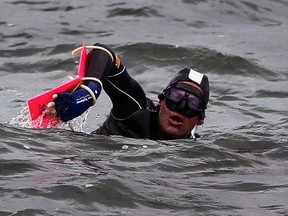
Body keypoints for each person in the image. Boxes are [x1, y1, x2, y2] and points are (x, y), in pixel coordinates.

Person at [48, 43, 210, 140]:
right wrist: (89, 93)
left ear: (200, 119)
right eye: (176, 97)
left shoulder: (196, 152)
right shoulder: (136, 109)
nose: (181, 107)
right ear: (161, 100)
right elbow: (103, 52)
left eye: (192, 103)